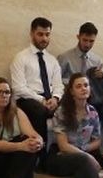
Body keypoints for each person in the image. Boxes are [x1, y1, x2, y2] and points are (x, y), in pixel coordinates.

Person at [9, 17, 64, 165]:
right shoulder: (21, 58)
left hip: (50, 100)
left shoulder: (52, 60)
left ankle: (66, 151)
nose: (44, 38)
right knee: (39, 111)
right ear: (32, 33)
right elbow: (18, 87)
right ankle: (41, 158)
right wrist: (41, 100)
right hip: (27, 100)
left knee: (72, 106)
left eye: (47, 34)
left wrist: (56, 98)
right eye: (40, 34)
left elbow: (59, 85)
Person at [48, 73, 103, 178]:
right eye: (79, 86)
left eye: (86, 85)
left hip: (81, 158)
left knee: (82, 168)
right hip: (60, 157)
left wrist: (84, 151)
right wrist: (88, 157)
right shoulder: (62, 112)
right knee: (84, 161)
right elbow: (63, 146)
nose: (83, 89)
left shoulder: (92, 112)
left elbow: (97, 140)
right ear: (71, 91)